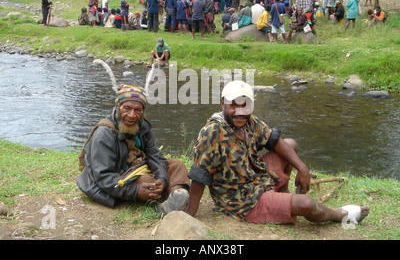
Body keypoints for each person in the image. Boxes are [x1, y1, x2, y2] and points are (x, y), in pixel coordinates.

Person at [187, 80, 370, 225]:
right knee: (306, 204)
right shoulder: (212, 132)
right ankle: (340, 215)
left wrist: (302, 168)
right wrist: (190, 214)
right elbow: (200, 174)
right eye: (233, 105)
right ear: (223, 104)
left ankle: (283, 193)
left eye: (245, 105)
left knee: (290, 144)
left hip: (255, 176)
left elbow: (273, 140)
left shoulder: (248, 120)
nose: (240, 111)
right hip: (240, 200)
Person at [77, 84, 190, 214]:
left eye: (138, 110)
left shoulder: (142, 127)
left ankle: (175, 195)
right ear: (117, 108)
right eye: (127, 109)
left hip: (137, 168)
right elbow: (103, 176)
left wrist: (162, 179)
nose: (132, 115)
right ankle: (171, 197)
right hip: (117, 179)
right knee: (149, 182)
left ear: (143, 111)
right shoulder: (104, 134)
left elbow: (155, 156)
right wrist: (135, 191)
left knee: (178, 166)